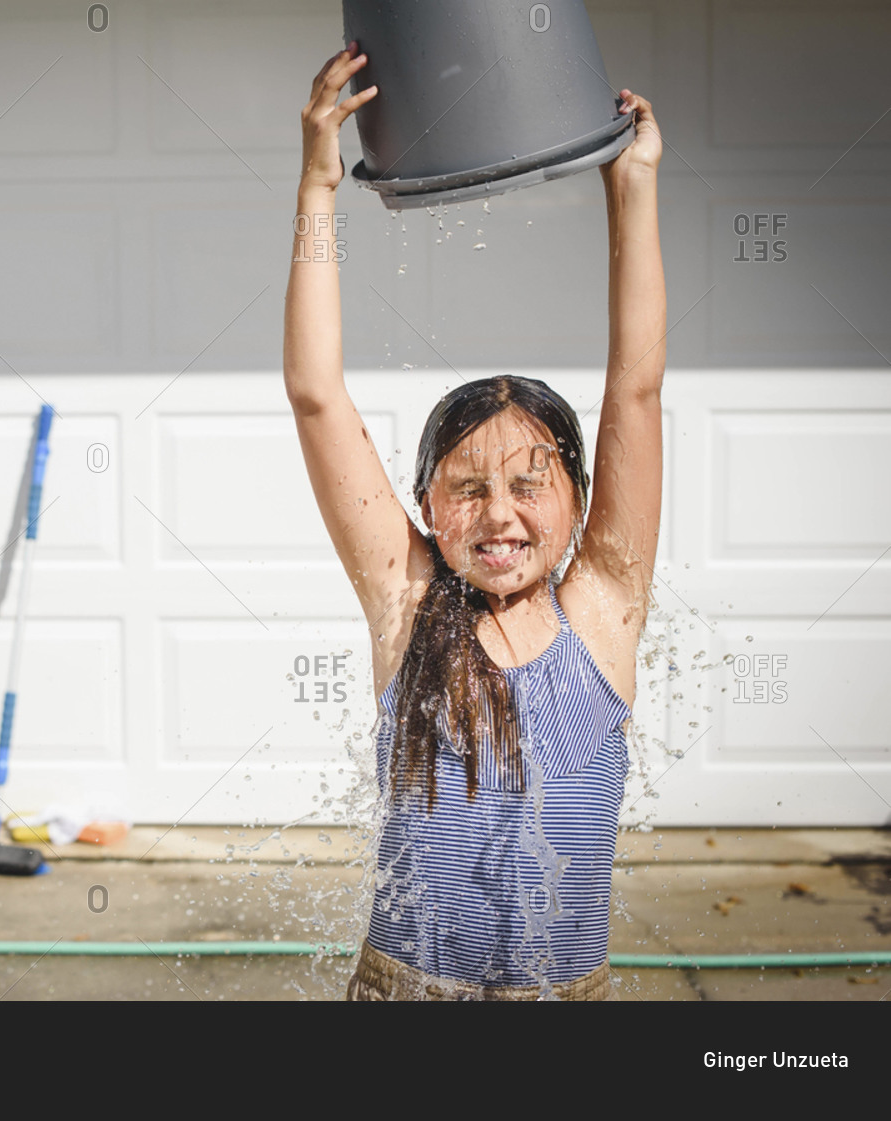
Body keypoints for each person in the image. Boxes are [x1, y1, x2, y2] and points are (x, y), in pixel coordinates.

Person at [284, 44, 665, 999]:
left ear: (579, 499)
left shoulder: (604, 610)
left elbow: (637, 389)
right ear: (424, 507)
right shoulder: (407, 600)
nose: (499, 515)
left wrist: (634, 191)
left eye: (530, 483)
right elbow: (316, 394)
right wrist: (319, 191)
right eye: (467, 488)